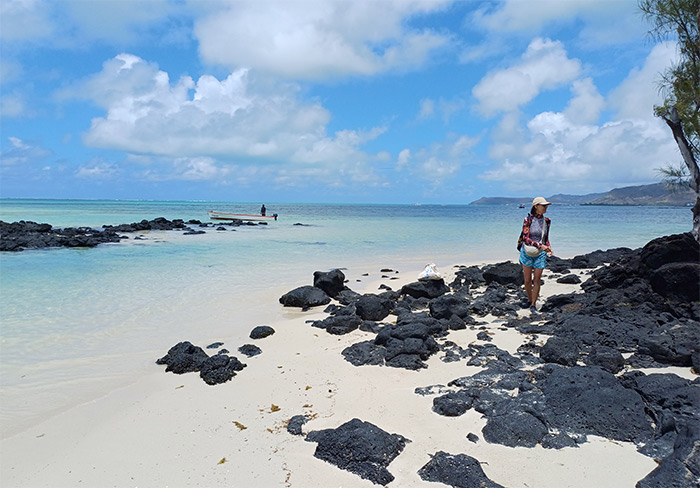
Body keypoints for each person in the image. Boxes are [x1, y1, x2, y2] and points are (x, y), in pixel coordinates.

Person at [518, 196, 552, 313]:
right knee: (527, 280)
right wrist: (539, 245)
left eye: (546, 205)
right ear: (536, 206)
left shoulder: (547, 221)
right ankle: (529, 299)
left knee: (537, 280)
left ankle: (533, 304)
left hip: (540, 253)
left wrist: (548, 247)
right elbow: (525, 238)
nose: (545, 207)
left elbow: (546, 238)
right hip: (527, 251)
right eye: (543, 205)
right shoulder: (528, 220)